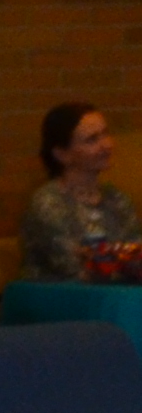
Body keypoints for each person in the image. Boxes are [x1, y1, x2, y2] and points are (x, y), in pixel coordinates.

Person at [24, 101, 134, 279]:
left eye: (105, 134)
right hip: (62, 300)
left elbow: (135, 257)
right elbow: (72, 268)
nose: (106, 145)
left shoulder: (116, 198)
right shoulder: (48, 204)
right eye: (92, 140)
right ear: (62, 154)